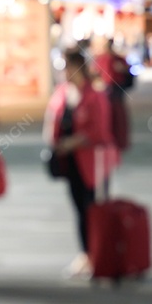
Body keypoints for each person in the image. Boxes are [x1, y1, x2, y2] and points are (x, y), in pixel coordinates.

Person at [44, 49, 116, 277]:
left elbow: (100, 131)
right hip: (72, 163)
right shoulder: (63, 94)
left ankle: (99, 254)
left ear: (76, 67)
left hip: (93, 162)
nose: (62, 72)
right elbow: (53, 121)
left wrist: (74, 142)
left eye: (65, 67)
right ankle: (86, 254)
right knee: (79, 209)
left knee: (94, 207)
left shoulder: (95, 96)